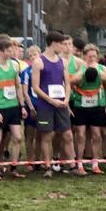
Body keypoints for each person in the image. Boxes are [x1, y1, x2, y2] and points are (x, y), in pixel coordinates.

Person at [0, 39, 27, 180]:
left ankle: (13, 167)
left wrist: (22, 106)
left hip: (13, 106)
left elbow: (18, 86)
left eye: (12, 50)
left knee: (18, 137)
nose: (11, 53)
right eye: (8, 50)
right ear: (0, 52)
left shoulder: (15, 65)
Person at [32, 32, 73, 178]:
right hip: (46, 105)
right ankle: (48, 167)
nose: (63, 47)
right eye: (61, 44)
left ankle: (73, 165)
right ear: (53, 43)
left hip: (61, 104)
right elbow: (35, 87)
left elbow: (67, 83)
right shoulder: (39, 61)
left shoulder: (63, 62)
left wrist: (66, 100)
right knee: (47, 135)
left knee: (67, 135)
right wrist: (50, 100)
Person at [69, 43, 106, 175]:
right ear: (84, 56)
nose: (92, 59)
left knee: (96, 134)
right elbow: (71, 81)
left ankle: (95, 163)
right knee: (80, 134)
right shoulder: (79, 69)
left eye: (94, 56)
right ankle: (79, 163)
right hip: (81, 106)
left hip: (97, 106)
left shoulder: (101, 68)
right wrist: (84, 70)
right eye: (89, 56)